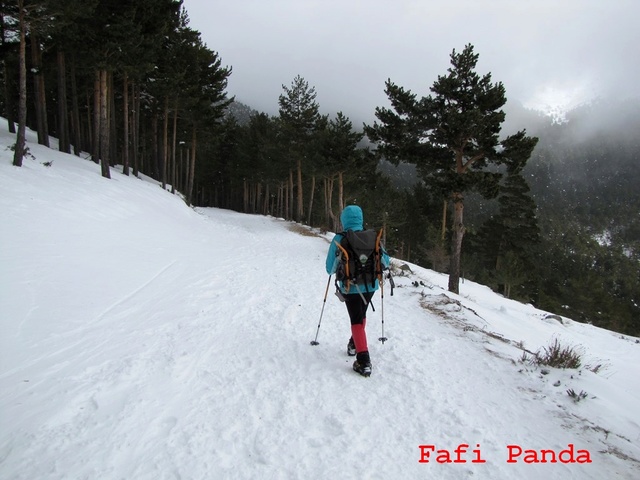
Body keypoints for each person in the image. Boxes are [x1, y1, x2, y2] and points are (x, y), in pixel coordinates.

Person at [325, 205, 390, 377]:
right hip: (371, 286)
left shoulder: (340, 238)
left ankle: (363, 360)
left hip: (350, 286)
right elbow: (386, 261)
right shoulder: (372, 236)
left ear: (344, 220)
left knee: (356, 319)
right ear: (360, 218)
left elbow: (329, 269)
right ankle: (354, 344)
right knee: (361, 315)